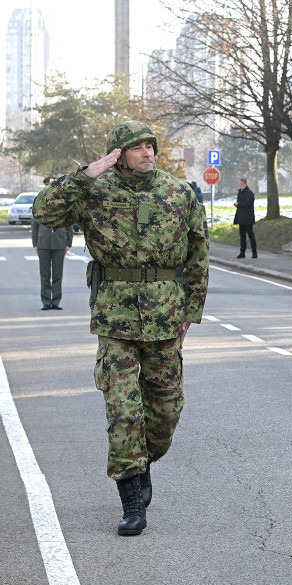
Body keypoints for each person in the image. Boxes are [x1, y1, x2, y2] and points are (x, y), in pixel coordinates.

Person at [32, 120, 209, 536]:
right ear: (118, 154)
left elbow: (199, 253)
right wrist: (86, 174)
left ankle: (144, 461)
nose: (147, 152)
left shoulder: (178, 192)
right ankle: (131, 498)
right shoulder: (94, 190)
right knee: (123, 410)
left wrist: (190, 312)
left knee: (166, 411)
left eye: (150, 146)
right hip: (115, 318)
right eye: (137, 147)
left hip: (166, 315)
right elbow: (45, 212)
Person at [31, 215, 73, 310]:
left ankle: (55, 302)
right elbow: (35, 225)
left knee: (57, 275)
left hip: (59, 243)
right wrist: (35, 244)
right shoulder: (41, 204)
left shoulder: (62, 204)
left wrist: (68, 243)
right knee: (44, 275)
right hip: (43, 243)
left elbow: (69, 224)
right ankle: (46, 302)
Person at [234, 178, 257, 258]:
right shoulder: (240, 193)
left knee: (250, 234)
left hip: (248, 218)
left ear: (243, 183)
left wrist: (238, 204)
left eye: (240, 183)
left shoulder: (249, 193)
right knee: (242, 235)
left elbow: (248, 204)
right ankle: (242, 252)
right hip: (241, 217)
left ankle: (254, 252)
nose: (239, 184)